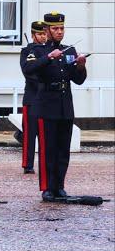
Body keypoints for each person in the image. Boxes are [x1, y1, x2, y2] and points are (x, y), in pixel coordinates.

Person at [22, 12, 87, 201]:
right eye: (55, 29)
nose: (59, 32)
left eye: (61, 28)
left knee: (62, 150)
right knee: (47, 149)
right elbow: (28, 69)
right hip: (46, 104)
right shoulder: (37, 51)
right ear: (46, 30)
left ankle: (59, 186)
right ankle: (47, 187)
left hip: (65, 104)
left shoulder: (69, 51)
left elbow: (79, 80)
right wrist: (49, 57)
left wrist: (81, 66)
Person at [19, 21, 48, 174]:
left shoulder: (50, 50)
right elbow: (28, 73)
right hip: (32, 97)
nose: (43, 37)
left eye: (44, 34)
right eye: (40, 34)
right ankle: (27, 164)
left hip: (47, 99)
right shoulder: (27, 51)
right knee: (29, 134)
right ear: (33, 35)